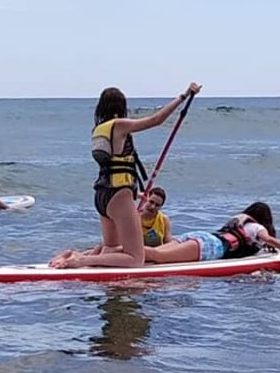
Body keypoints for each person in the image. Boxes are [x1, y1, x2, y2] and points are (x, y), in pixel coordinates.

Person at [50, 82, 201, 269]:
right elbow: (156, 120)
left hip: (102, 196)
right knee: (135, 258)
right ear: (121, 107)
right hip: (118, 196)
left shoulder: (98, 130)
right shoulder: (119, 125)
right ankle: (82, 260)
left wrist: (136, 195)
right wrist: (183, 96)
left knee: (111, 249)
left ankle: (73, 255)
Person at [144, 201, 280, 272]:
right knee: (159, 257)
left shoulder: (240, 220)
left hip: (201, 236)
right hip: (209, 247)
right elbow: (269, 240)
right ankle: (123, 256)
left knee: (154, 254)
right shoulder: (257, 227)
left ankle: (120, 251)